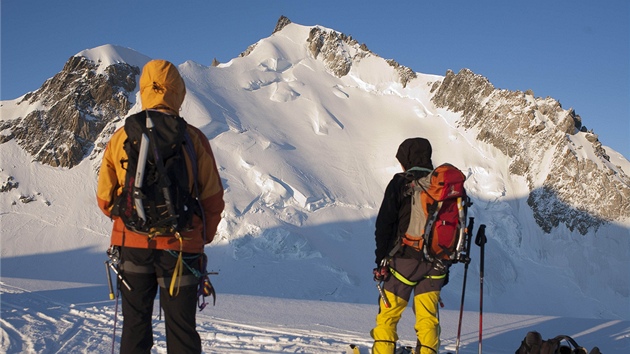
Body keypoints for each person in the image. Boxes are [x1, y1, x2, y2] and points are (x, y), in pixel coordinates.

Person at [96, 59, 224, 354]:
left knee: (135, 325)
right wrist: (201, 236)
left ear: (144, 91)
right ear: (178, 92)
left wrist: (130, 218)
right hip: (182, 247)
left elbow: (105, 199)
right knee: (181, 329)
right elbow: (212, 199)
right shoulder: (193, 138)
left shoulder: (121, 137)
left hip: (132, 244)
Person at [370, 137, 447, 354]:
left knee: (388, 316)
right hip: (437, 265)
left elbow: (384, 225)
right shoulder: (443, 185)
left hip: (403, 261)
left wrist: (381, 260)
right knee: (428, 319)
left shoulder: (400, 182)